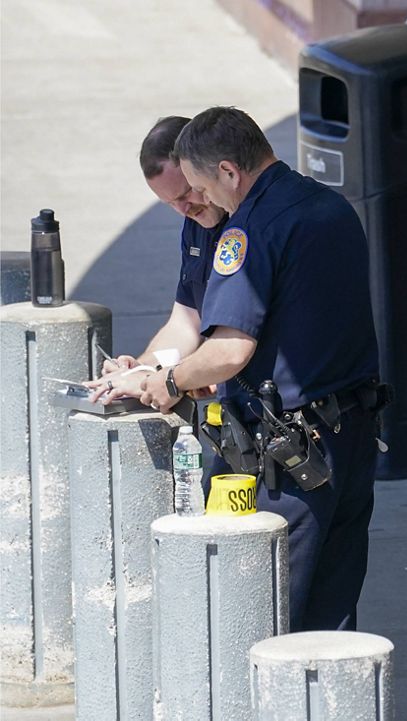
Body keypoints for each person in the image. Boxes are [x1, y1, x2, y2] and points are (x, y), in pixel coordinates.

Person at [110, 106, 383, 631]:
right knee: (334, 608)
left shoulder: (249, 230)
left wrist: (166, 382)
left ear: (230, 172)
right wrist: (145, 365)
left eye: (201, 189)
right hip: (352, 433)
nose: (201, 203)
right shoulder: (330, 206)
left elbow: (228, 353)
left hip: (294, 453)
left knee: (268, 609)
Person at [91, 116, 226, 396]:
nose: (182, 209)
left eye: (187, 192)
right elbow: (187, 322)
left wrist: (179, 378)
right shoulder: (197, 223)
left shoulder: (253, 226)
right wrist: (142, 369)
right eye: (170, 203)